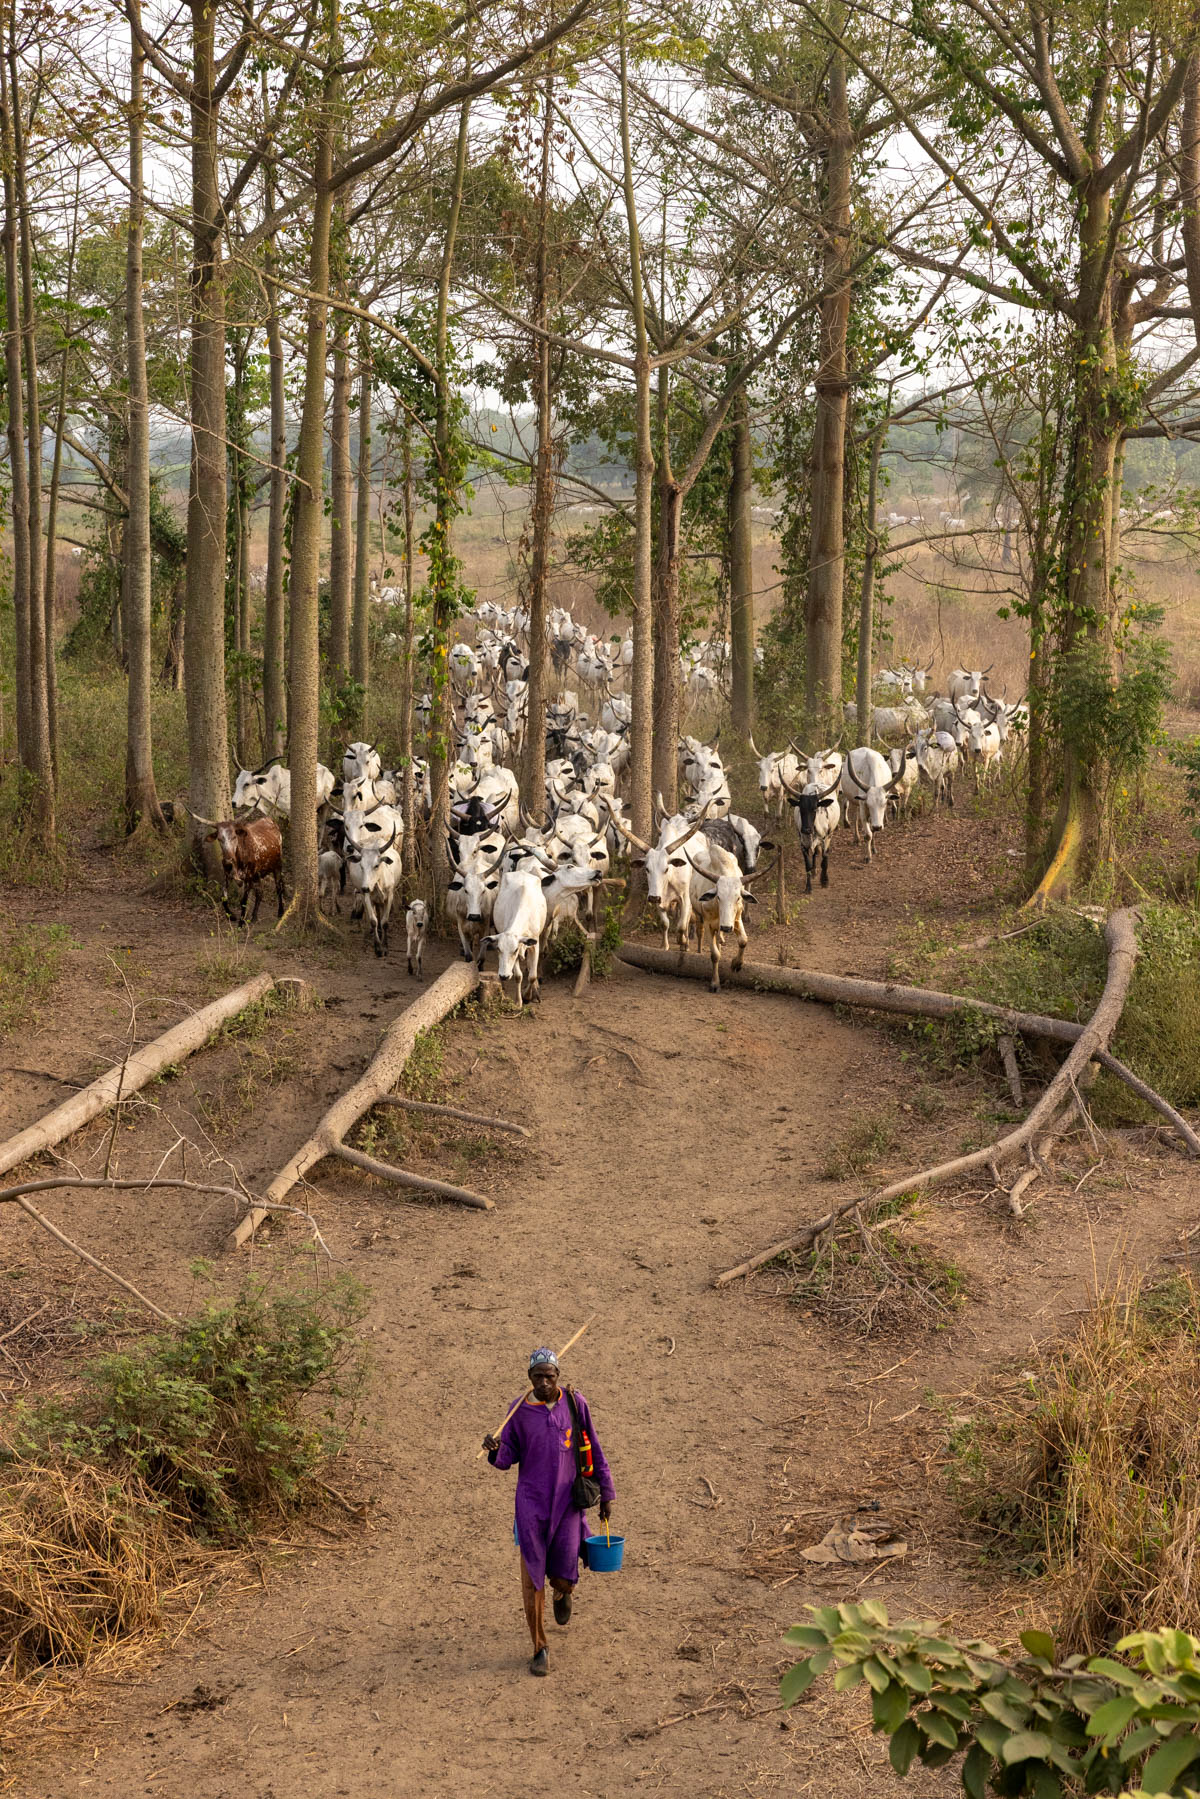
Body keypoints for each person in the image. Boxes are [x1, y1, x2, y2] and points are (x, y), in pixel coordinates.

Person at [483, 1347, 616, 1676]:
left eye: (549, 1376)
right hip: (530, 1505)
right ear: (529, 1378)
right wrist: (494, 1450)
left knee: (563, 1571)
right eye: (537, 1376)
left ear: (558, 1376)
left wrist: (607, 1493)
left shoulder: (575, 1403)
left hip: (568, 1504)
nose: (543, 1382)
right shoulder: (518, 1411)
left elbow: (594, 1447)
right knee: (531, 1578)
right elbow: (507, 1459)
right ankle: (539, 1646)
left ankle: (564, 1591)